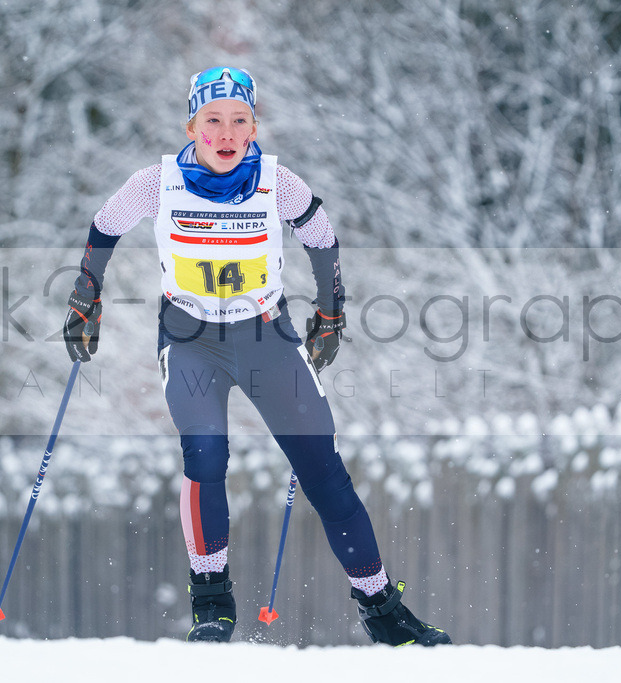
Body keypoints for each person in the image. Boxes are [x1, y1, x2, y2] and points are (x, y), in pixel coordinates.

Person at [62, 66, 450, 646]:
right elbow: (104, 226)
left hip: (266, 336)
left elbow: (320, 234)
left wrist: (331, 311)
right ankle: (212, 600)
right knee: (206, 453)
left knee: (323, 471)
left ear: (253, 125)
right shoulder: (156, 182)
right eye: (212, 121)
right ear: (191, 125)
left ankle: (380, 608)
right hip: (191, 341)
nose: (225, 133)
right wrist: (86, 298)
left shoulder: (276, 180)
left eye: (238, 121)